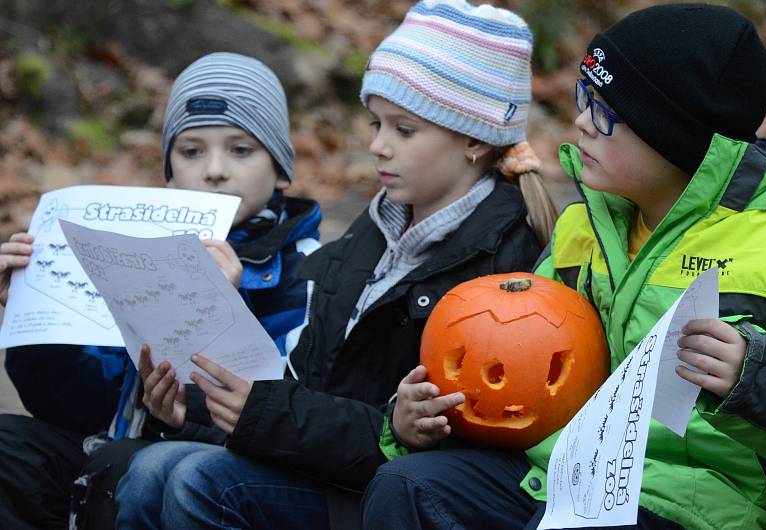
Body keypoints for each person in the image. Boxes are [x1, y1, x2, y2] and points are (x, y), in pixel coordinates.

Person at [113, 1, 557, 528]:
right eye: (375, 123)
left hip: (390, 490)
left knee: (197, 482)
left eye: (404, 130)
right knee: (153, 466)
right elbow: (308, 388)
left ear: (474, 139)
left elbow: (415, 442)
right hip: (325, 465)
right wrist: (195, 411)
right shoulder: (365, 240)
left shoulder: (508, 263)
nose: (377, 146)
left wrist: (262, 415)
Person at [362, 3, 766, 529]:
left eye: (605, 112)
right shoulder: (580, 227)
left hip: (704, 503)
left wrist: (755, 378)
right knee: (407, 486)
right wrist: (419, 418)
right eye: (582, 99)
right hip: (565, 472)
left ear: (674, 135)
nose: (580, 124)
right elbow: (521, 382)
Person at [0, 51, 322, 530]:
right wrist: (31, 309)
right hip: (112, 448)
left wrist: (224, 313)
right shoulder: (126, 250)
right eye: (191, 151)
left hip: (213, 471)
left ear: (279, 167)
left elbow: (292, 418)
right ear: (169, 170)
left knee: (138, 465)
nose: (214, 170)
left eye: (241, 149)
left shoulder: (313, 270)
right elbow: (74, 406)